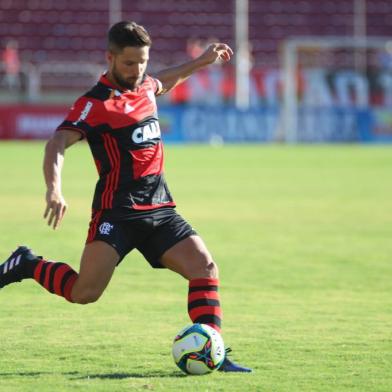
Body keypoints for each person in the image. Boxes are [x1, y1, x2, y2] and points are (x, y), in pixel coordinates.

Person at [0, 21, 251, 373]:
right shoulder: (95, 103)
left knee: (205, 267)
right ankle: (27, 263)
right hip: (116, 212)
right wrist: (53, 188)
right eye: (129, 63)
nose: (137, 70)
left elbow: (166, 79)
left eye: (143, 62)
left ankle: (215, 351)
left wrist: (202, 61)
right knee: (84, 292)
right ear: (110, 58)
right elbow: (57, 143)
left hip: (160, 208)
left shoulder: (146, 84)